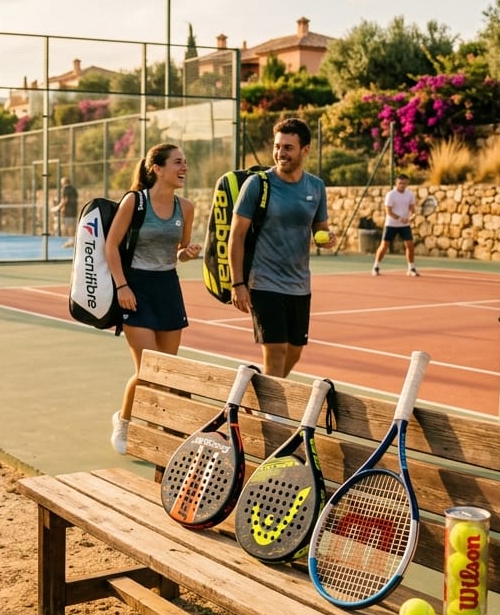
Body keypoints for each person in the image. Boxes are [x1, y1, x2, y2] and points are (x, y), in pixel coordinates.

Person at [107, 143, 202, 454]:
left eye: (185, 162)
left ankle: (163, 432)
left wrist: (186, 254)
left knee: (168, 371)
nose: (183, 167)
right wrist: (122, 287)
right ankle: (124, 420)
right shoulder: (134, 202)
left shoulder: (186, 208)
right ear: (157, 169)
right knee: (149, 372)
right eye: (177, 162)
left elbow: (178, 251)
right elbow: (111, 247)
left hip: (168, 289)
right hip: (135, 289)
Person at [228, 117, 336, 378]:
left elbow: (319, 228)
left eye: (288, 147)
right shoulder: (257, 185)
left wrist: (326, 237)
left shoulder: (316, 187)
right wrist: (237, 283)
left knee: (294, 352)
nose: (280, 153)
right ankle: (271, 416)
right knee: (275, 352)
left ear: (305, 150)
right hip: (264, 282)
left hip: (300, 285)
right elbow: (236, 235)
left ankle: (261, 392)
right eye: (277, 146)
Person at [374, 175, 420, 277]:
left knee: (410, 246)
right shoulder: (391, 195)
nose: (402, 185)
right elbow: (388, 211)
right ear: (396, 183)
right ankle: (376, 267)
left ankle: (411, 268)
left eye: (404, 183)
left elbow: (413, 211)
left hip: (405, 225)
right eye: (400, 183)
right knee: (384, 246)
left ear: (407, 184)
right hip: (391, 224)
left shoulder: (410, 195)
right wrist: (400, 219)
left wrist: (411, 217)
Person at [56, 177, 80, 248]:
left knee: (69, 226)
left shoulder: (65, 189)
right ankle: (72, 240)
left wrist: (58, 207)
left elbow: (65, 200)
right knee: (72, 225)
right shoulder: (74, 189)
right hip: (74, 210)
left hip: (68, 211)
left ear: (64, 182)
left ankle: (72, 241)